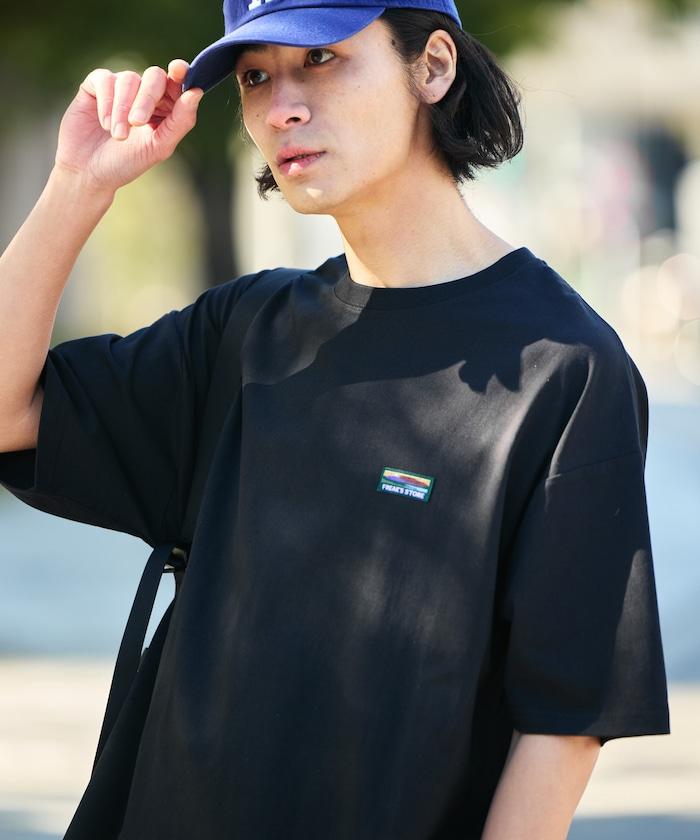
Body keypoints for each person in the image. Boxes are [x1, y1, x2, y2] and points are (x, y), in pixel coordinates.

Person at [0, 0, 671, 837]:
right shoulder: (244, 331)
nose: (281, 106)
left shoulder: (565, 366)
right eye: (255, 77)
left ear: (433, 67)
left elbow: (563, 722)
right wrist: (78, 186)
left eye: (321, 59)